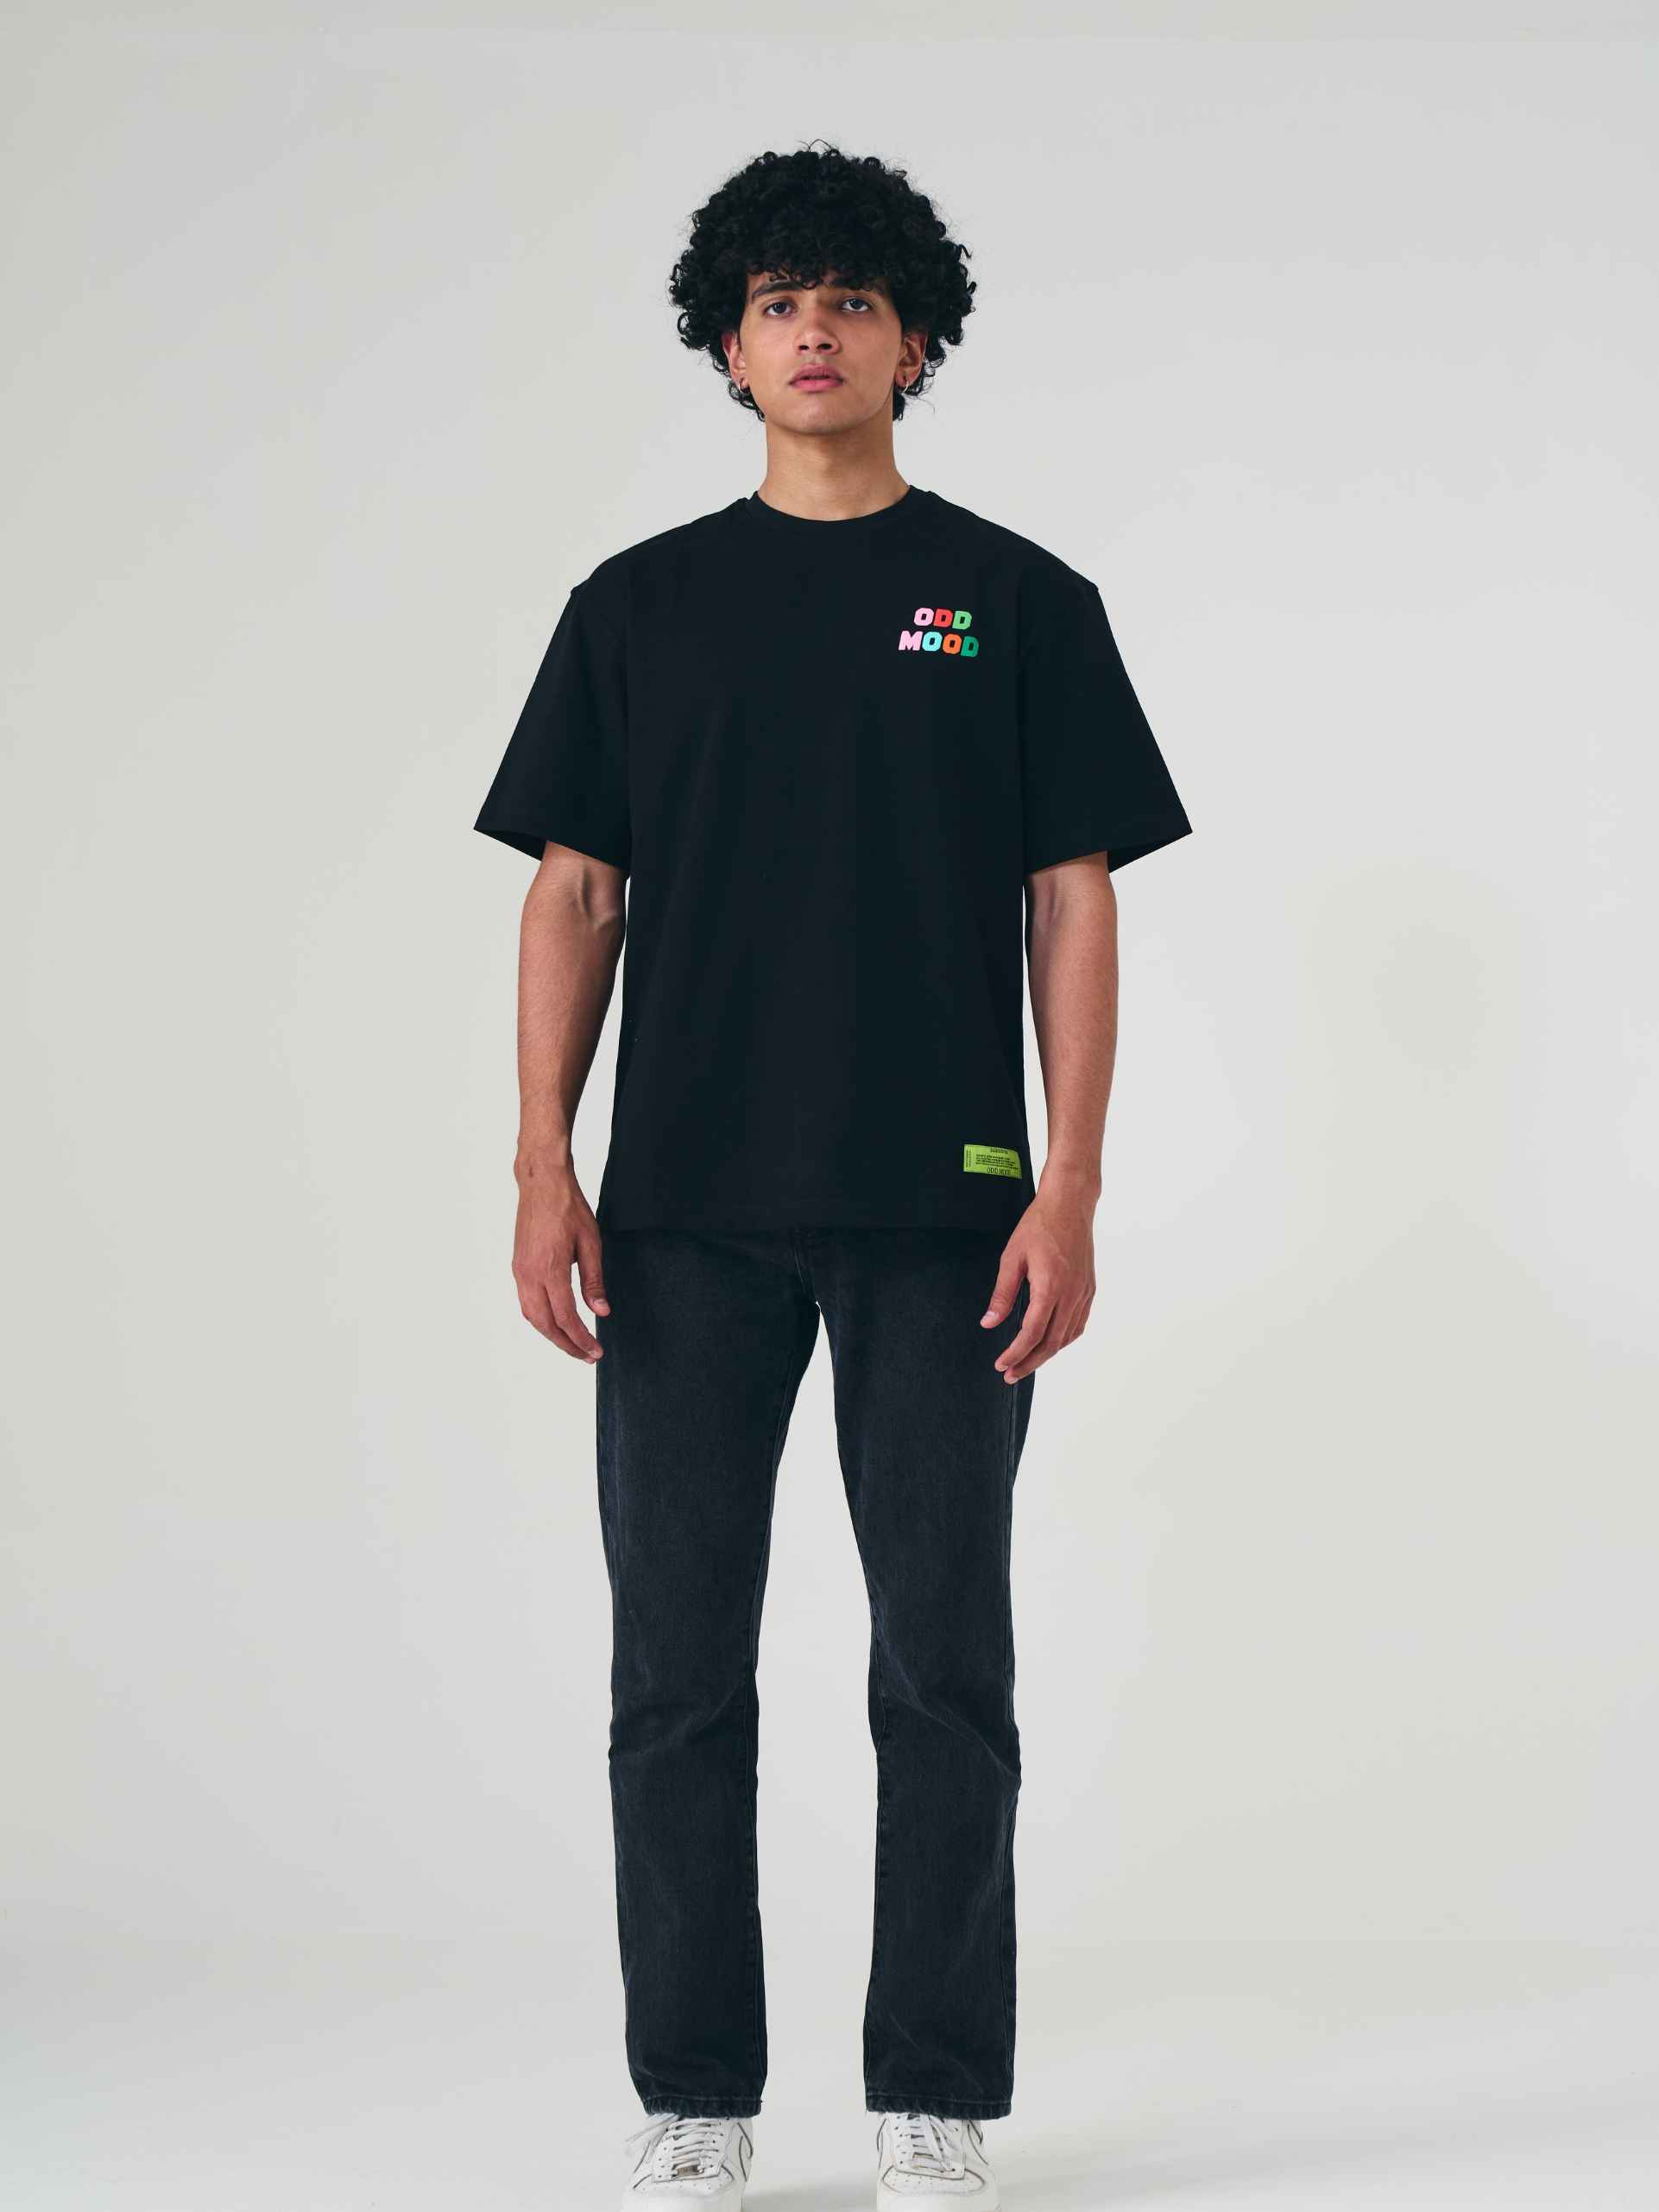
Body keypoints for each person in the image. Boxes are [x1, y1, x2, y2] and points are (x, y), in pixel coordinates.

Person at [473, 141, 1192, 2212]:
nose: (813, 331)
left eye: (851, 302)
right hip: (681, 1213)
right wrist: (541, 1162)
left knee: (942, 1670)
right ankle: (695, 2095)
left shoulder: (1019, 602)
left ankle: (930, 2099)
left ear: (915, 344)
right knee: (675, 1675)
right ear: (726, 346)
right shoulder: (637, 608)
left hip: (948, 1216)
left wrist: (1069, 1181)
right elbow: (575, 892)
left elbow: (1072, 900)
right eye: (777, 301)